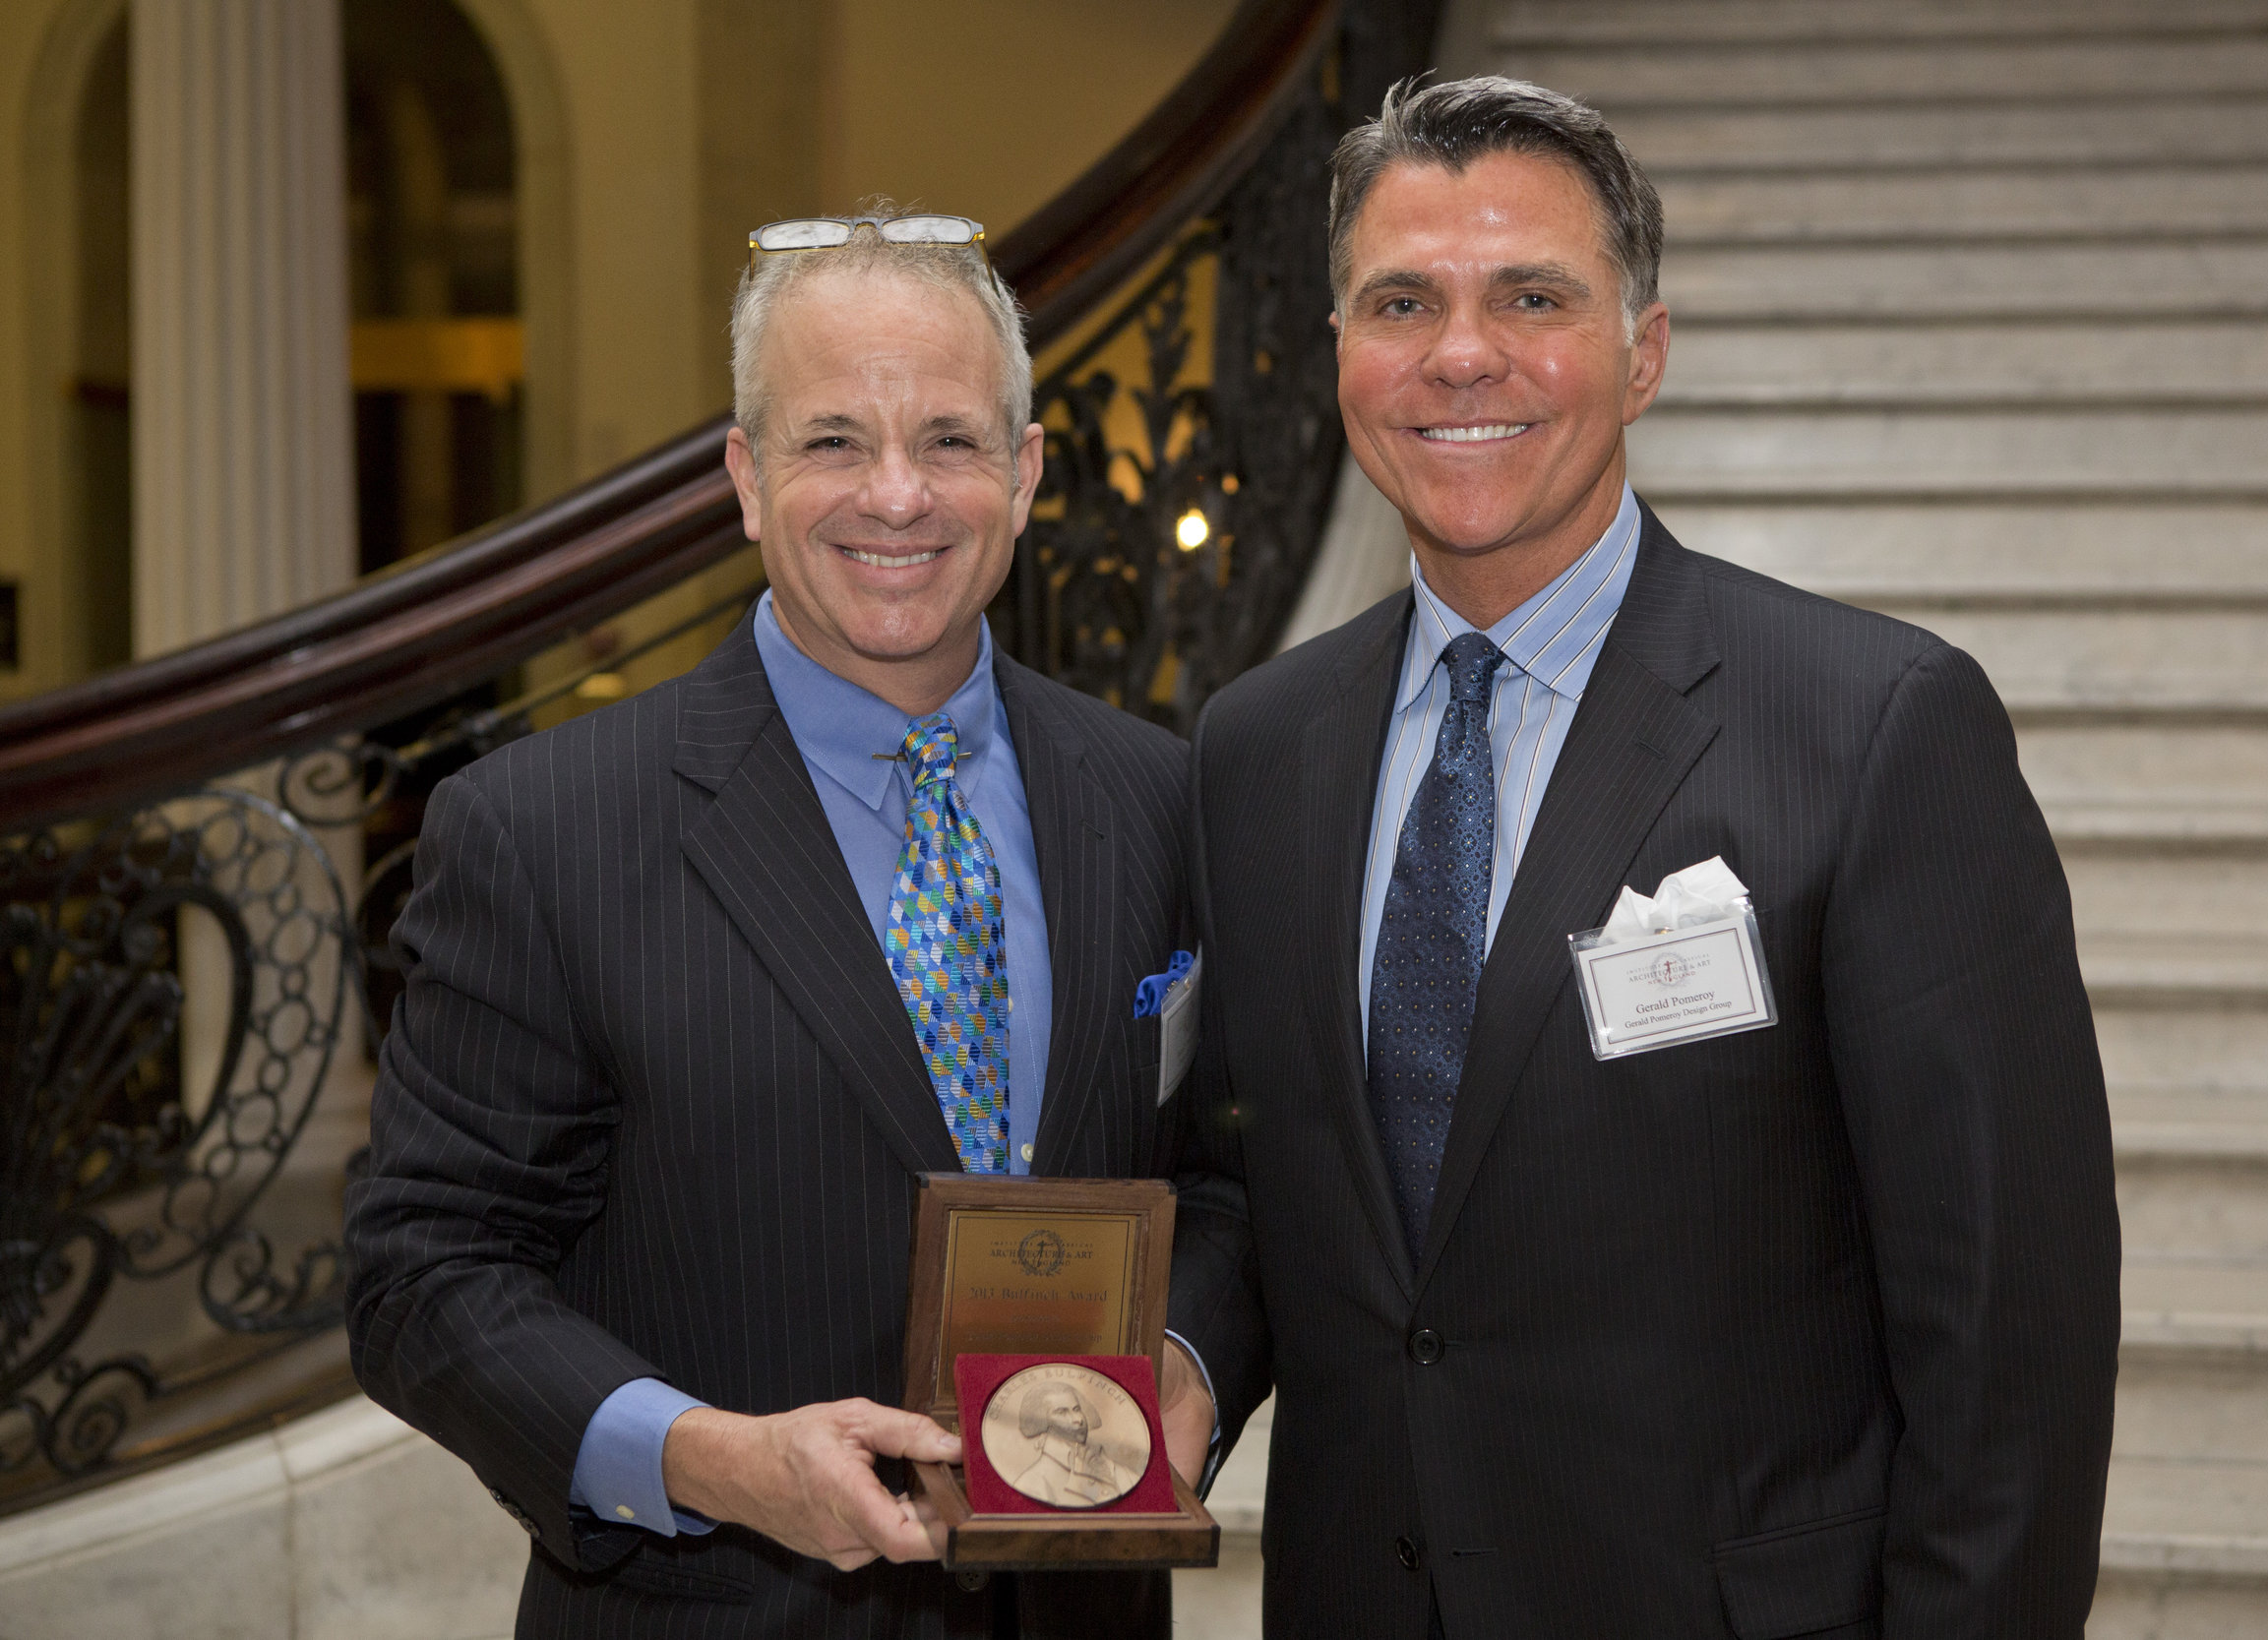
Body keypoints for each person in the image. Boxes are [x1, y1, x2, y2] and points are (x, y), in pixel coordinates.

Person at [1159, 77, 2121, 1638]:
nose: (1461, 352)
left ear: (1642, 350)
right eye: (1401, 300)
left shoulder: (1875, 730)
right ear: (1340, 351)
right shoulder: (1255, 748)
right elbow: (1255, 1177)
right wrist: (1172, 1372)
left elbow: (2008, 1336)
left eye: (1532, 295)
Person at [346, 214, 1193, 1640]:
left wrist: (1186, 1368)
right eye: (832, 442)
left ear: (1029, 471)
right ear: (745, 479)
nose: (899, 494)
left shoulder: (1160, 793)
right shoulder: (544, 828)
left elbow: (1227, 1179)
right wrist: (713, 1460)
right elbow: (422, 1269)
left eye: (951, 439)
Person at [1007, 1381, 1128, 1507]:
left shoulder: (1116, 1469)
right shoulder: (1032, 1484)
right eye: (1061, 1412)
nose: (1078, 1419)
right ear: (1042, 1421)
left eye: (1077, 1409)